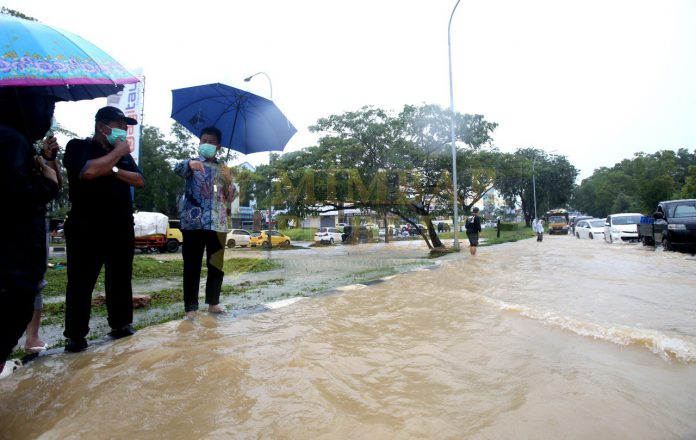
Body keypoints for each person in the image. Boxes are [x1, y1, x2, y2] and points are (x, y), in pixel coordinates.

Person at [62, 106, 144, 353]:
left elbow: (139, 180)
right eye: (118, 125)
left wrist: (114, 168)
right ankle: (76, 335)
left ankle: (120, 324)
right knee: (80, 282)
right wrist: (117, 155)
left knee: (119, 278)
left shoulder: (125, 157)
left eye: (125, 127)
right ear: (102, 126)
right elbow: (88, 172)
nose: (123, 131)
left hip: (120, 225)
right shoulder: (78, 147)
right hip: (86, 225)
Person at [0, 86, 60, 377]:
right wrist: (47, 184)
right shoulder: (9, 139)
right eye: (49, 109)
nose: (50, 117)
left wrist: (47, 165)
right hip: (10, 270)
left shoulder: (18, 141)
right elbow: (14, 197)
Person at [175, 127, 236, 318]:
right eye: (203, 140)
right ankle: (191, 308)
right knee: (191, 266)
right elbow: (177, 168)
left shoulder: (224, 169)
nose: (206, 144)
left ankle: (213, 304)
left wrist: (229, 182)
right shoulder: (192, 164)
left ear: (218, 146)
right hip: (193, 223)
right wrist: (189, 163)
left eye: (210, 141)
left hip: (217, 224)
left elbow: (230, 197)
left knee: (216, 266)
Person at [23, 135, 64, 354]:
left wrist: (49, 158)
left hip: (34, 222)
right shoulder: (11, 142)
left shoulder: (29, 148)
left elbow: (56, 185)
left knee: (36, 281)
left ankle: (32, 338)